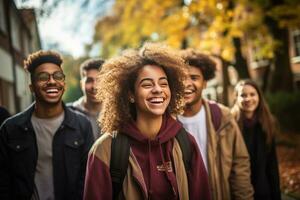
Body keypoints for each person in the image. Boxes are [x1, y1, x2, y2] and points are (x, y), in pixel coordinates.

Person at [84, 43, 211, 200]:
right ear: (130, 94)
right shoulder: (105, 150)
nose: (158, 89)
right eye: (147, 84)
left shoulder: (186, 143)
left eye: (163, 83)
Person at [0, 50, 94, 200]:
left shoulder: (82, 126)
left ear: (64, 83)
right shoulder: (10, 129)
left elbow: (89, 179)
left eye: (57, 76)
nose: (51, 81)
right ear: (31, 87)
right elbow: (3, 183)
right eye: (43, 77)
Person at [177, 49, 254, 200]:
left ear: (204, 83)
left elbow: (240, 164)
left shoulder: (223, 116)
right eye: (181, 78)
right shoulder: (165, 121)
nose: (187, 83)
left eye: (194, 77)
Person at [231, 79, 281, 200]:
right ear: (236, 98)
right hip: (237, 191)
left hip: (263, 189)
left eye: (252, 94)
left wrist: (276, 194)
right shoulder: (230, 125)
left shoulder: (268, 123)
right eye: (243, 95)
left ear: (259, 96)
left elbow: (272, 164)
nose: (248, 99)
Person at [68, 58, 104, 140]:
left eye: (100, 80)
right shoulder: (69, 114)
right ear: (81, 84)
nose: (95, 87)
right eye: (89, 81)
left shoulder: (118, 115)